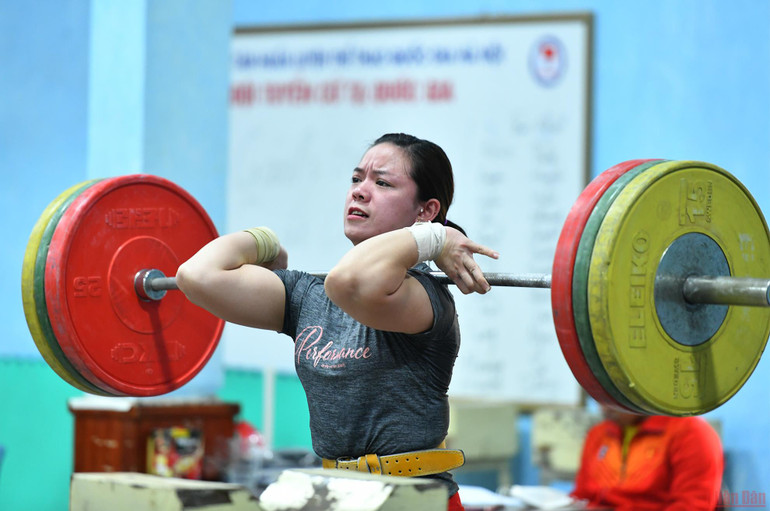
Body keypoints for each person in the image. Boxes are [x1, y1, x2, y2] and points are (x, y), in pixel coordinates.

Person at [176, 133, 499, 511]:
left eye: (382, 182)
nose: (360, 192)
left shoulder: (426, 297)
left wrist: (435, 238)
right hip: (337, 495)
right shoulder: (306, 296)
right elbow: (196, 276)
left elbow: (351, 282)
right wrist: (263, 242)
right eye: (356, 179)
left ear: (425, 211)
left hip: (413, 499)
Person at [571, 405, 724, 511]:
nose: (604, 406)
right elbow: (582, 495)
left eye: (613, 391)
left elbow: (692, 506)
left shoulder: (691, 433)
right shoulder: (598, 434)